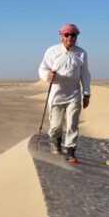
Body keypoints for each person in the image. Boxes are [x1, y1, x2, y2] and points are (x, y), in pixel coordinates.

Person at [38, 23, 91, 164]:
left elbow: (85, 74)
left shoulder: (81, 53)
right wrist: (48, 75)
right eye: (66, 35)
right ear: (61, 36)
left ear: (76, 36)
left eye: (72, 35)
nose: (69, 37)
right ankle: (56, 142)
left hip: (74, 94)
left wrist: (86, 94)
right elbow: (42, 68)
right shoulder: (52, 51)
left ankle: (71, 152)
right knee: (56, 126)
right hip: (56, 94)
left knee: (72, 124)